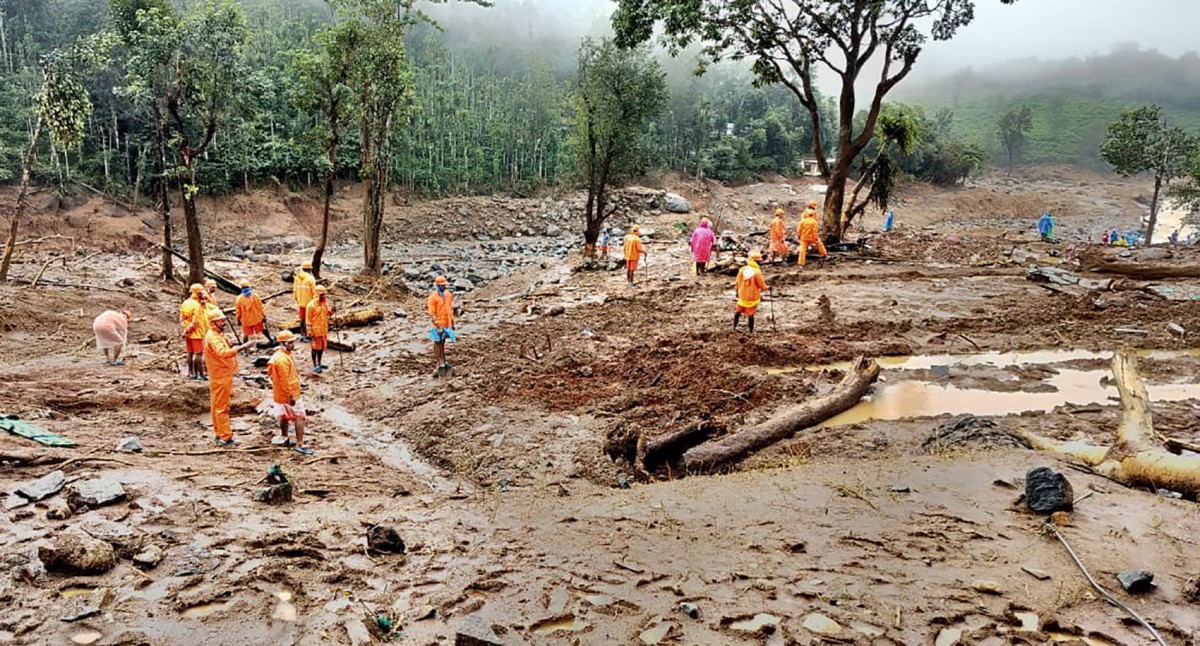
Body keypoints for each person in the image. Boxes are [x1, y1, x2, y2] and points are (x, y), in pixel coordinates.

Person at [203, 310, 254, 447]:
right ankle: (225, 437)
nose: (223, 322)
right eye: (220, 320)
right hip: (220, 375)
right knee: (221, 407)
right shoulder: (213, 337)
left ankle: (220, 433)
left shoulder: (216, 335)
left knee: (217, 406)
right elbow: (223, 353)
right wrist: (242, 347)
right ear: (213, 322)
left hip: (220, 374)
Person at [267, 330, 312, 455]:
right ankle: (300, 444)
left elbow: (270, 374)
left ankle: (284, 438)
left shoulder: (278, 356)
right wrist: (290, 395)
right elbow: (285, 380)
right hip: (289, 393)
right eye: (291, 342)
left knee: (283, 416)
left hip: (279, 394)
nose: (293, 345)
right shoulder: (282, 360)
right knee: (300, 416)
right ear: (284, 343)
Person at [427, 276, 456, 376]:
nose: (444, 287)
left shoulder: (448, 295)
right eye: (442, 285)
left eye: (445, 285)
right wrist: (437, 325)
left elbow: (450, 309)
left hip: (446, 323)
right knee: (437, 343)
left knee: (442, 343)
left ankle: (443, 360)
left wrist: (452, 322)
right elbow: (432, 313)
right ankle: (439, 362)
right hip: (438, 324)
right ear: (438, 286)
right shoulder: (433, 298)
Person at [733, 251, 768, 334]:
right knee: (751, 313)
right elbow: (761, 285)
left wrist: (737, 291)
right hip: (752, 296)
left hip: (742, 294)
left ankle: (734, 326)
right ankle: (751, 331)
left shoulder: (742, 269)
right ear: (757, 261)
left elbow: (737, 282)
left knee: (738, 311)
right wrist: (768, 288)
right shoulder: (757, 272)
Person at [179, 283, 209, 380]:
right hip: (197, 333)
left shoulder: (185, 302)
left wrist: (185, 330)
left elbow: (182, 318)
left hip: (188, 333)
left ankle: (191, 373)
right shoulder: (197, 306)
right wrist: (189, 329)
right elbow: (195, 322)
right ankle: (201, 374)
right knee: (198, 354)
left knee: (189, 353)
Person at [305, 285, 336, 373]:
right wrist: (309, 332)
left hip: (323, 330)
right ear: (317, 295)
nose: (324, 296)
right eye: (322, 295)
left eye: (324, 294)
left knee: (321, 347)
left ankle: (319, 363)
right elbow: (308, 320)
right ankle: (315, 365)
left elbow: (327, 314)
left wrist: (332, 311)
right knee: (315, 348)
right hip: (315, 331)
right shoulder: (311, 306)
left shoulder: (324, 304)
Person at [796, 201, 828, 267]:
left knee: (802, 250)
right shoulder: (814, 222)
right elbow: (814, 231)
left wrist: (798, 236)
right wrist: (816, 238)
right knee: (819, 244)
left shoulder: (803, 221)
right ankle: (824, 255)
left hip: (804, 237)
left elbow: (799, 229)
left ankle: (801, 263)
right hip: (812, 237)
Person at [293, 261, 317, 341]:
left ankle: (302, 335)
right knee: (309, 320)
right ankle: (309, 335)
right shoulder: (311, 279)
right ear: (310, 269)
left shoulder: (297, 278)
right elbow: (314, 292)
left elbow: (295, 290)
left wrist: (297, 299)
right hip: (309, 303)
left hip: (301, 302)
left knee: (302, 319)